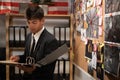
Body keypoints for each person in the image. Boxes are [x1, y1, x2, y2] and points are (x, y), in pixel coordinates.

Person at [10, 5, 58, 80]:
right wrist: (19, 58)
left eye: (34, 22)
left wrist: (32, 71)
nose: (30, 26)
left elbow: (49, 70)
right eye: (28, 22)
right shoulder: (29, 37)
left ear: (42, 21)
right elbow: (27, 57)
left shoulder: (51, 41)